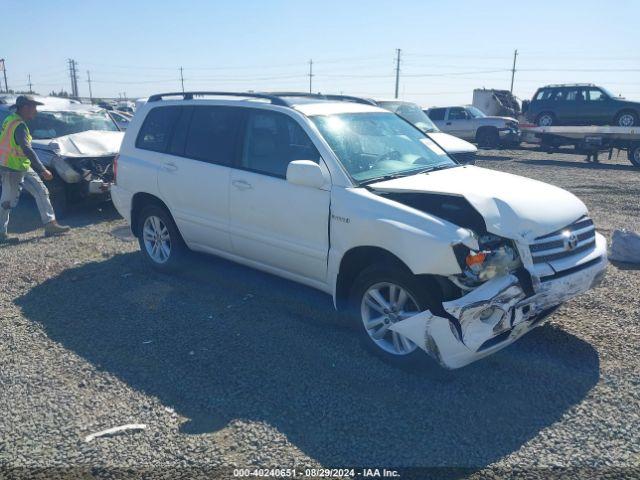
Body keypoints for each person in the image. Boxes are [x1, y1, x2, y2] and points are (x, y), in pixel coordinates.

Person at [0, 95, 70, 243]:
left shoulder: (10, 120)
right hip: (10, 168)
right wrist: (42, 169)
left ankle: (50, 224)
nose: (36, 111)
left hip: (21, 166)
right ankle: (1, 234)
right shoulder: (18, 125)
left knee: (41, 191)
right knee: (7, 202)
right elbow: (27, 149)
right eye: (34, 107)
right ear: (25, 107)